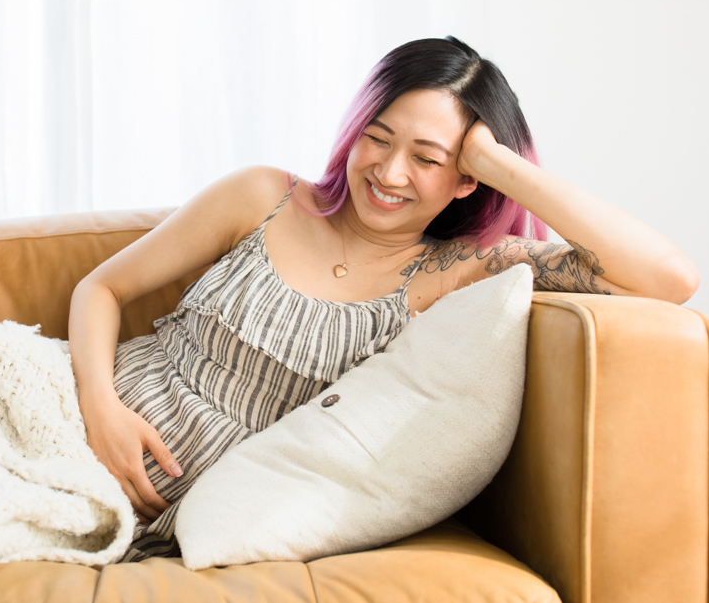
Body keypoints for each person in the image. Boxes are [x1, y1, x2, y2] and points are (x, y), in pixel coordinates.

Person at [68, 36, 699, 561]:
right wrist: (102, 410)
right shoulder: (263, 197)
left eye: (427, 158)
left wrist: (501, 165)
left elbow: (666, 280)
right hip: (76, 418)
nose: (389, 173)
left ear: (465, 179)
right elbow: (102, 286)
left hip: (185, 505)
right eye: (378, 136)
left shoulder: (456, 270)